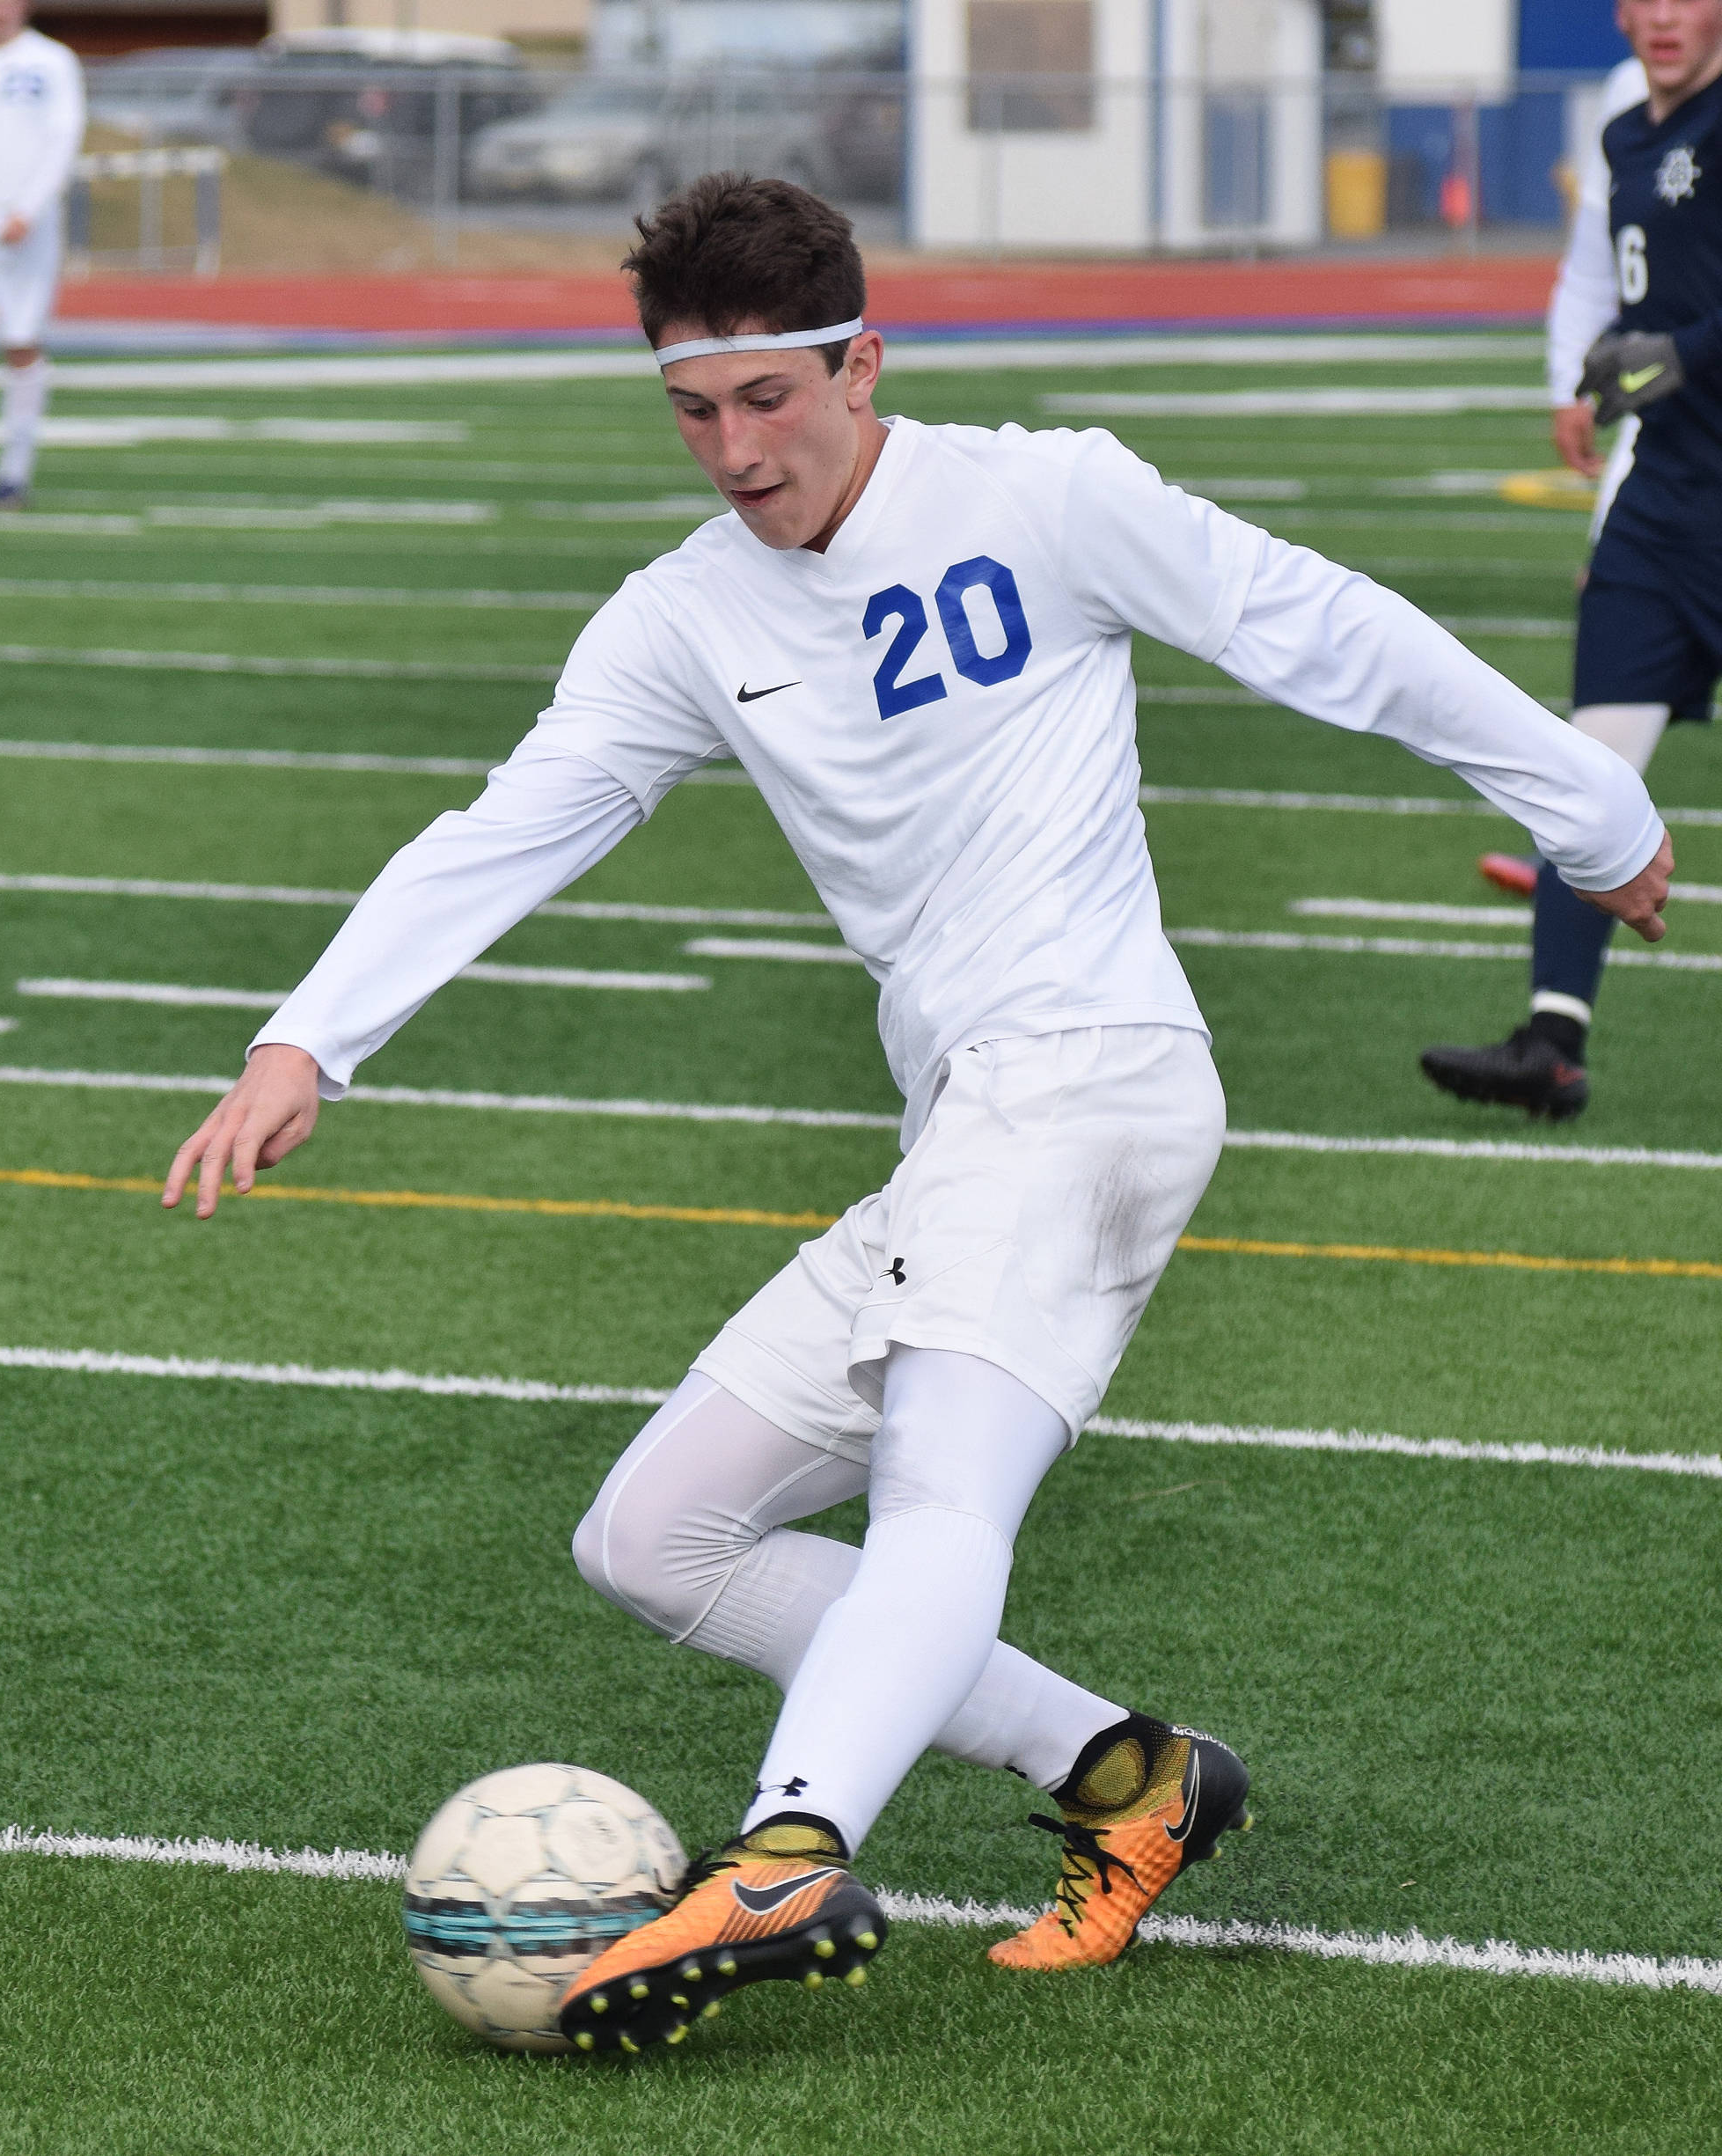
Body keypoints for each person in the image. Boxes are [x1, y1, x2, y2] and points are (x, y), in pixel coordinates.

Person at [161, 176, 1671, 2053]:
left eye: (769, 400)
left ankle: (789, 1848)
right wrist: (308, 1038)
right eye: (691, 411)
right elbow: (512, 823)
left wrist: (1594, 816)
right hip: (965, 1120)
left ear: (861, 360)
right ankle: (1129, 1779)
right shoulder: (682, 617)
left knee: (938, 1488)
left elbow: (1327, 628)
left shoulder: (1046, 497)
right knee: (657, 1537)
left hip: (1096, 1069)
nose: (733, 450)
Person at [1423, 0, 1722, 1120]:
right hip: (1660, 504)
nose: (1660, 16)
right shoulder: (1622, 130)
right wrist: (1598, 371)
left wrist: (1671, 359)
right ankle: (1550, 1040)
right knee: (1584, 769)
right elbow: (1617, 287)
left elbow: (1681, 339)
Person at [0, 0, 84, 509]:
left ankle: (14, 471)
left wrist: (28, 208)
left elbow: (63, 137)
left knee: (20, 340)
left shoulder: (52, 61)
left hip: (25, 224)